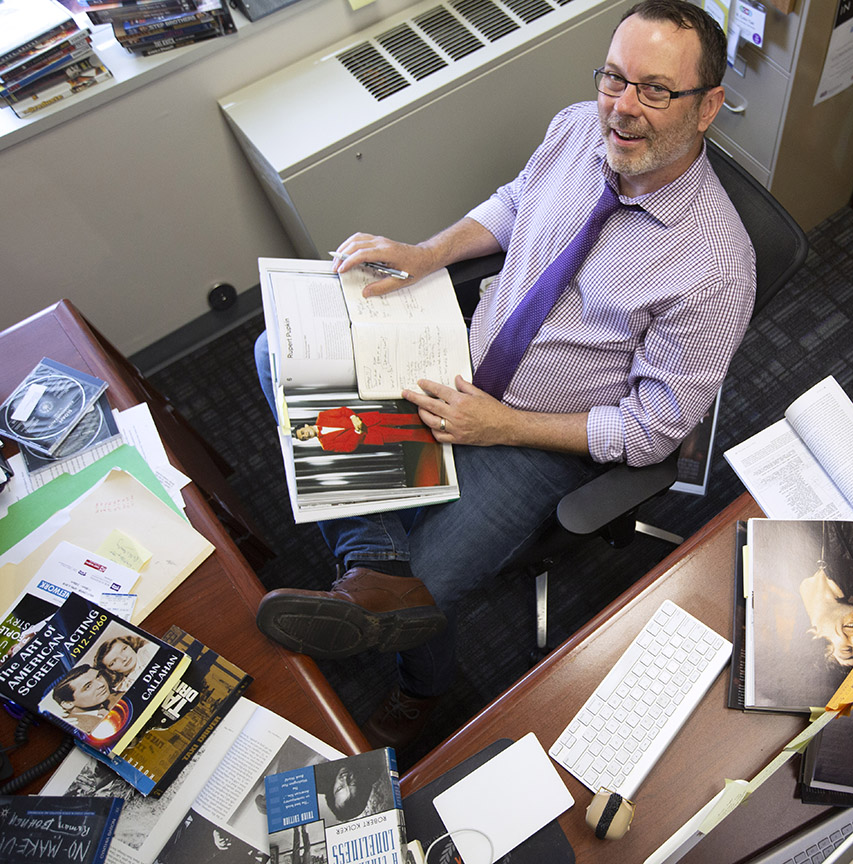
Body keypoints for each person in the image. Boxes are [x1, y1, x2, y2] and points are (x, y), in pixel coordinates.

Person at [254, 0, 755, 751]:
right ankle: (371, 560)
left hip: (538, 439)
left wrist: (501, 426)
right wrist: (428, 253)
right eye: (613, 79)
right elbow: (518, 203)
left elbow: (654, 431)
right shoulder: (575, 127)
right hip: (459, 357)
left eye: (655, 90)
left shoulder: (716, 266)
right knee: (276, 349)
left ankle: (421, 680)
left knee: (423, 586)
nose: (622, 110)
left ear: (708, 105)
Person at [292, 406, 436, 452]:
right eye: (304, 438)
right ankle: (437, 439)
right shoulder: (326, 445)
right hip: (371, 436)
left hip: (370, 419)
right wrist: (358, 432)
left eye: (303, 433)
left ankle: (436, 416)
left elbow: (343, 411)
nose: (307, 435)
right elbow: (349, 448)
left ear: (305, 426)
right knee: (409, 435)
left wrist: (353, 418)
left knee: (407, 419)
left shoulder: (322, 416)